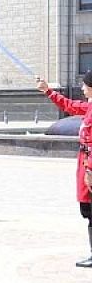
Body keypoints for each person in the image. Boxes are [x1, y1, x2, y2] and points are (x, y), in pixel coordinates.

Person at [36, 72, 92, 266]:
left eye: (85, 85)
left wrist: (90, 170)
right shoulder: (90, 107)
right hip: (85, 162)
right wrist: (48, 91)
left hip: (90, 165)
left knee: (91, 210)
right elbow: (70, 105)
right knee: (87, 209)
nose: (82, 89)